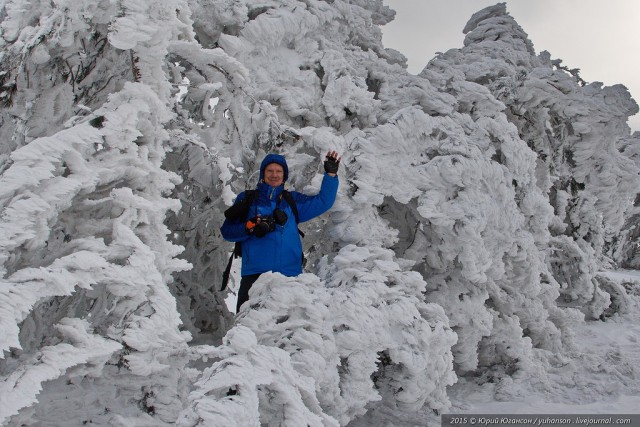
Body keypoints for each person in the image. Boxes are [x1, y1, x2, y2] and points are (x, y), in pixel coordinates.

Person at [220, 151, 340, 312]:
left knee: (288, 331)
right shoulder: (247, 199)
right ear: (263, 174)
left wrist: (331, 175)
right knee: (248, 329)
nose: (274, 175)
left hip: (290, 276)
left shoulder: (292, 201)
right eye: (270, 171)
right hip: (255, 276)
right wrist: (248, 227)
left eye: (279, 171)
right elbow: (227, 232)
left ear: (284, 175)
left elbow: (324, 201)